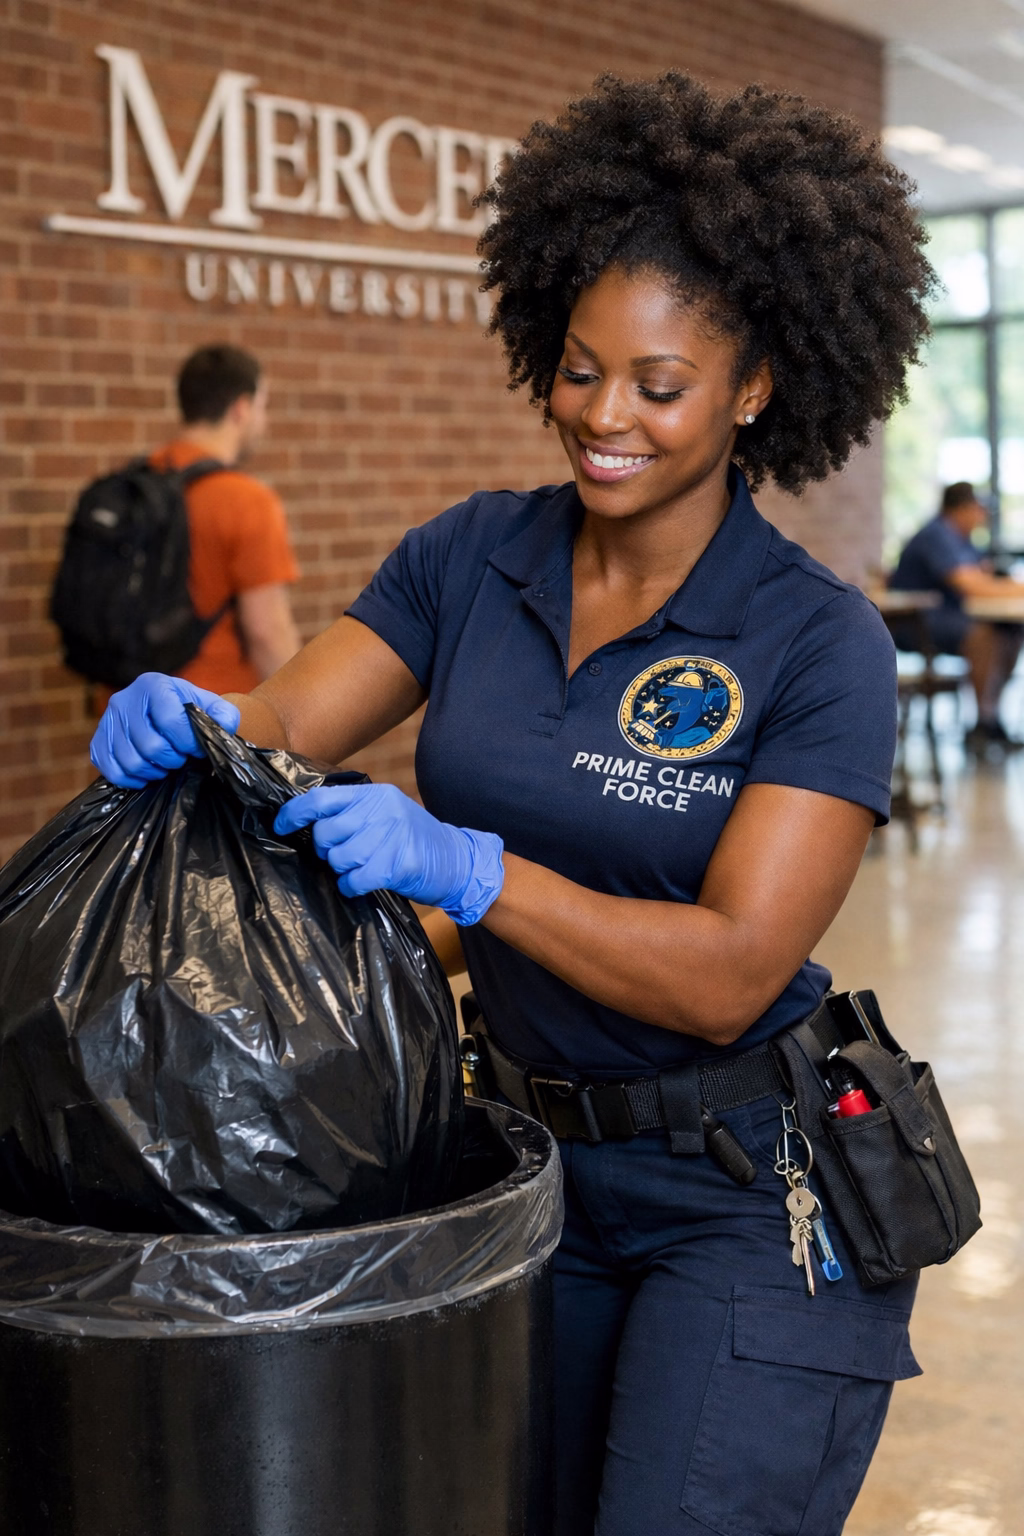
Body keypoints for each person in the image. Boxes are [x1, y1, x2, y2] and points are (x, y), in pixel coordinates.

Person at [90, 75, 934, 1536]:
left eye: (659, 387)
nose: (604, 419)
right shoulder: (471, 557)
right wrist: (201, 717)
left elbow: (735, 974)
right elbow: (285, 721)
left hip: (744, 1191)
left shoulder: (815, 642)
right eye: (581, 367)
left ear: (754, 388)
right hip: (526, 1169)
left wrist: (475, 872)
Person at [152, 343, 301, 694]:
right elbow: (268, 634)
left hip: (128, 714)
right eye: (263, 406)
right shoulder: (245, 499)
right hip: (208, 718)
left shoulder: (141, 482)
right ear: (241, 409)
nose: (263, 421)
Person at [889, 481, 1024, 751]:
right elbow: (970, 584)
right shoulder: (936, 534)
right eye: (979, 509)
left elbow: (984, 577)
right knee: (982, 634)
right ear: (963, 509)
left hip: (945, 618)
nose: (982, 517)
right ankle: (984, 720)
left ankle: (991, 718)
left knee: (1010, 631)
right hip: (915, 623)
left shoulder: (962, 539)